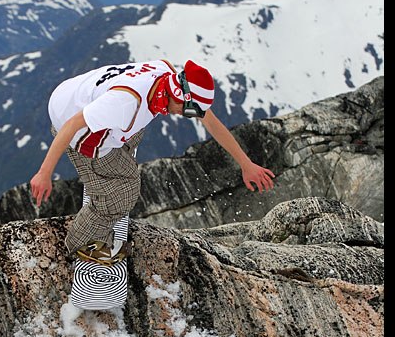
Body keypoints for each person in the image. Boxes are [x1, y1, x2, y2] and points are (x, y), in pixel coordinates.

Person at [30, 58, 275, 265]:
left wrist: (246, 164)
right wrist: (44, 172)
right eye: (189, 110)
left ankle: (106, 176)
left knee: (135, 130)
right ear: (179, 95)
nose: (188, 116)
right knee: (125, 191)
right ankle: (80, 245)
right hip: (70, 122)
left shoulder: (166, 71)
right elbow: (72, 125)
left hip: (72, 91)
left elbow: (211, 122)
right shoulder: (125, 104)